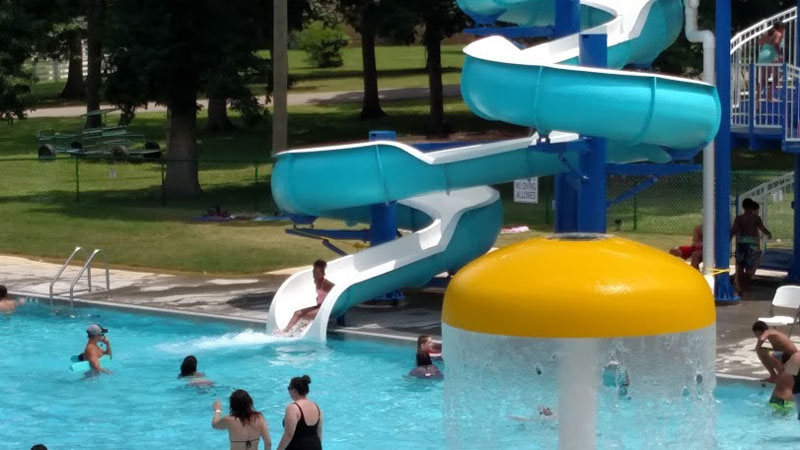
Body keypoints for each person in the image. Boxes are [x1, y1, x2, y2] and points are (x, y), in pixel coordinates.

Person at [731, 199, 772, 296]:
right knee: (751, 266)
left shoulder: (739, 218)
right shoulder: (756, 218)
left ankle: (740, 286)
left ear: (743, 207)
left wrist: (729, 239)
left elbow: (734, 230)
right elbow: (762, 228)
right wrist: (769, 233)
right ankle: (746, 285)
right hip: (752, 244)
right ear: (752, 207)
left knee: (740, 265)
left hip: (741, 243)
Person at [283, 260, 334, 333]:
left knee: (306, 315)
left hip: (325, 308)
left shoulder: (328, 284)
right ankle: (286, 330)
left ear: (322, 273)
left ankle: (297, 332)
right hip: (319, 306)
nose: (314, 275)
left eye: (317, 274)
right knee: (297, 313)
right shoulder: (316, 281)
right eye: (314, 273)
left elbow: (334, 293)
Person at [277, 375, 322, 450]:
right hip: (316, 446)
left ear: (294, 390)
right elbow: (319, 432)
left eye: (289, 388)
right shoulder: (317, 407)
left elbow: (288, 434)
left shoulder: (293, 408)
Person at [757, 22, 785, 102]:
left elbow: (759, 42)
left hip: (763, 55)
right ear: (780, 28)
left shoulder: (767, 33)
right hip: (771, 56)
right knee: (777, 77)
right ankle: (769, 96)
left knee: (763, 79)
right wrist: (780, 54)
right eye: (783, 29)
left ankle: (757, 96)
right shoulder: (779, 34)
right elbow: (776, 43)